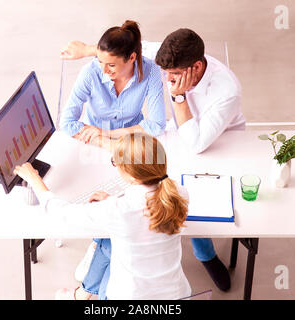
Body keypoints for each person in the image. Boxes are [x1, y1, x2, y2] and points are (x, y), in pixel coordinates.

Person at [60, 28, 246, 292]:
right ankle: (101, 244)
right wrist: (89, 50)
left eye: (175, 76)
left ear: (196, 67)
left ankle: (206, 255)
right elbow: (134, 48)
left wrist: (178, 97)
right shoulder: (166, 60)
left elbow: (196, 142)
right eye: (165, 75)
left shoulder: (226, 91)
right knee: (152, 187)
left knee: (192, 195)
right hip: (180, 133)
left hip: (218, 144)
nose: (167, 81)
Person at [14, 133, 192, 300]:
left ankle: (83, 291)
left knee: (105, 240)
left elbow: (62, 213)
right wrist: (112, 201)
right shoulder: (179, 193)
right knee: (109, 240)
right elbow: (139, 216)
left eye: (115, 162)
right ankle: (84, 291)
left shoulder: (119, 211)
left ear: (130, 174)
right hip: (177, 296)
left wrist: (34, 179)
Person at [59, 20, 167, 283]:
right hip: (93, 147)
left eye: (111, 65)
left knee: (131, 200)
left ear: (132, 57)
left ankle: (106, 246)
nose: (105, 70)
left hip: (129, 149)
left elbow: (156, 125)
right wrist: (104, 142)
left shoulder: (150, 72)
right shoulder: (91, 72)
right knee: (93, 198)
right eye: (101, 62)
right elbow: (67, 123)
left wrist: (110, 134)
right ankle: (99, 245)